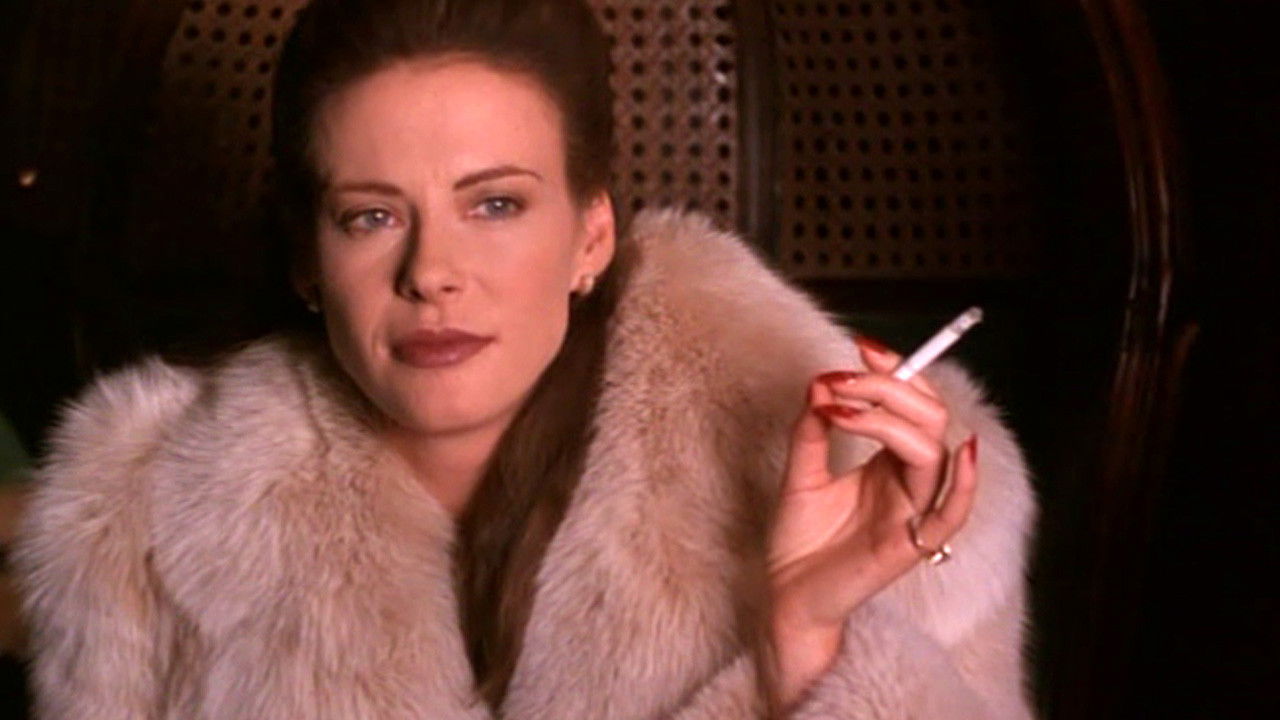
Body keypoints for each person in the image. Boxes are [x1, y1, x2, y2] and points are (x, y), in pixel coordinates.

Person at [13, 0, 1036, 717]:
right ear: (307, 264)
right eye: (371, 216)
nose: (431, 273)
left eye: (495, 204)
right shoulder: (135, 521)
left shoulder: (882, 486)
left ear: (592, 235)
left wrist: (801, 644)